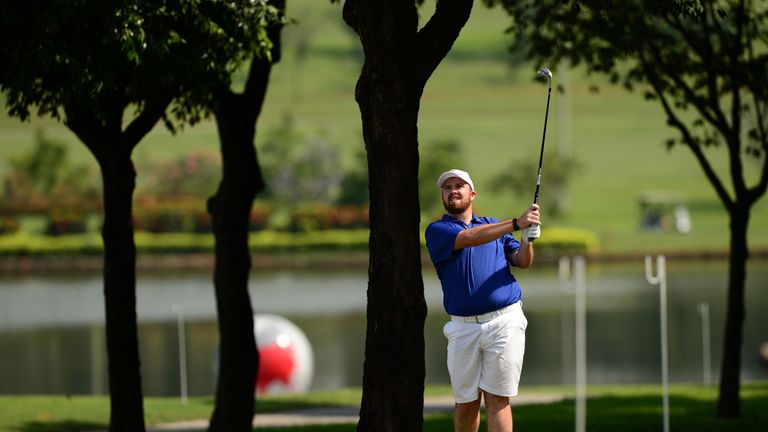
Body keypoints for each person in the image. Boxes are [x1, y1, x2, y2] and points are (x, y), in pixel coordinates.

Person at [425, 169, 540, 432]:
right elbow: (468, 238)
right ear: (443, 195)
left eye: (459, 186)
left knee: (498, 399)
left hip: (505, 321)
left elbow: (522, 261)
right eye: (447, 188)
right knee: (466, 403)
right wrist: (515, 224)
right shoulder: (437, 230)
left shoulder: (494, 226)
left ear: (472, 194)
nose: (453, 190)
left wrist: (527, 239)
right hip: (463, 327)